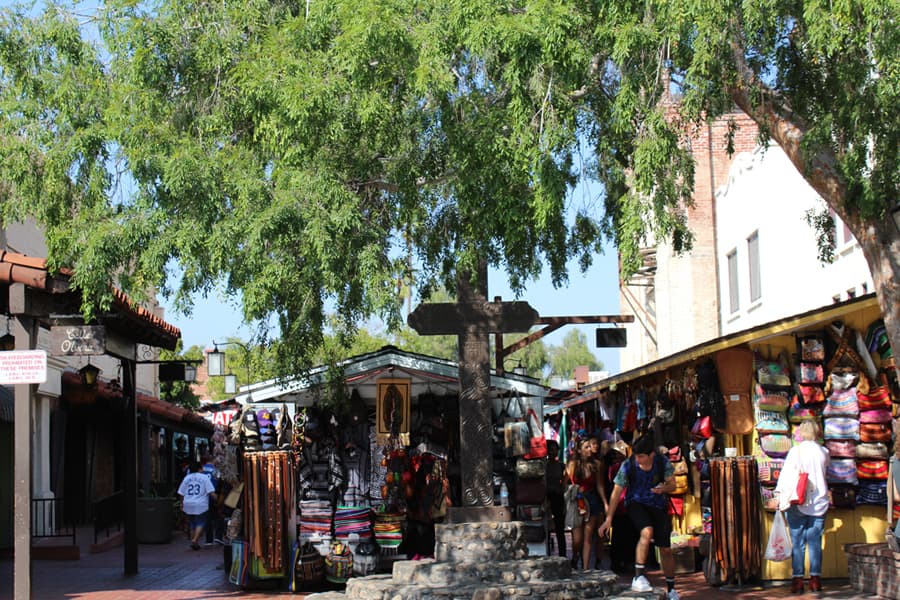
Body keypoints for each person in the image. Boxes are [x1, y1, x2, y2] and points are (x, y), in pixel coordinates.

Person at [598, 434, 679, 600]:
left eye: (641, 456)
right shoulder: (628, 465)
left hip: (658, 505)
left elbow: (673, 485)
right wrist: (608, 519)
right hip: (636, 503)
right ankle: (639, 576)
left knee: (665, 549)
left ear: (651, 455)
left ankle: (671, 588)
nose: (638, 459)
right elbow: (616, 492)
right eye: (636, 455)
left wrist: (664, 488)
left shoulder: (662, 463)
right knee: (646, 531)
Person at [774, 420, 829, 593]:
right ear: (816, 432)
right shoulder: (824, 452)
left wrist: (778, 495)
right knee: (815, 542)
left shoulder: (795, 451)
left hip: (798, 501)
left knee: (798, 542)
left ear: (801, 433)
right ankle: (815, 579)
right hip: (819, 502)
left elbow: (786, 476)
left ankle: (797, 579)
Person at [566, 437, 608, 570]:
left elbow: (600, 485)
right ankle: (575, 556)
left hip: (592, 499)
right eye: (586, 447)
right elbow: (565, 482)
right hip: (577, 500)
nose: (590, 449)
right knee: (577, 539)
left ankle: (585, 568)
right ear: (579, 450)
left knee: (588, 536)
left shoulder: (597, 464)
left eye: (590, 446)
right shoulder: (572, 464)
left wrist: (605, 503)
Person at [178, 460, 217, 550]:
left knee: (192, 523)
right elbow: (211, 492)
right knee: (201, 522)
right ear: (200, 468)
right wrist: (216, 498)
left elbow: (181, 492)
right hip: (201, 504)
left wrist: (181, 503)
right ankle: (194, 540)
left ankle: (194, 543)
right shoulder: (204, 477)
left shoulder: (187, 478)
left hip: (188, 503)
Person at [545, 439, 567, 558]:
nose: (553, 452)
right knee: (546, 527)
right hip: (546, 497)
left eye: (555, 449)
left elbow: (566, 479)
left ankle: (562, 554)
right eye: (551, 449)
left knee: (560, 527)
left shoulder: (561, 465)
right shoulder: (544, 465)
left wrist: (562, 486)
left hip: (558, 497)